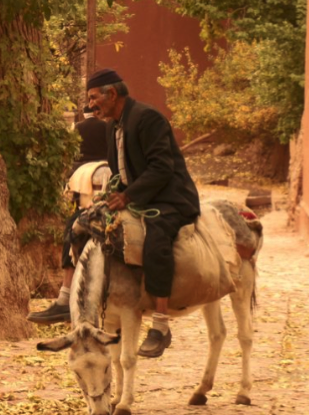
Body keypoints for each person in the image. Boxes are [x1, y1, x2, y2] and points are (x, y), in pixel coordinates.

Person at [90, 68, 200, 358]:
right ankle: (67, 296)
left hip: (170, 200)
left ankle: (161, 326)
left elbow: (162, 168)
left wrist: (128, 196)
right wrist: (110, 194)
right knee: (79, 224)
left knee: (156, 238)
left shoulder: (147, 118)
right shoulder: (111, 126)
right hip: (135, 198)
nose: (90, 105)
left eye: (93, 98)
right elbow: (121, 172)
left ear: (111, 94)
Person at [27, 106, 109, 325]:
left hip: (85, 171)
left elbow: (73, 152)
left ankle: (65, 295)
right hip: (109, 171)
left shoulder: (78, 128)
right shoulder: (111, 127)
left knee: (72, 226)